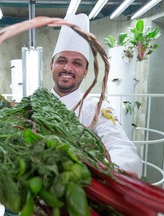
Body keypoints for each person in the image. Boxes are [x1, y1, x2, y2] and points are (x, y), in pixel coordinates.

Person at [50, 13, 142, 177]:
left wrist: (111, 171)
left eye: (77, 63)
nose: (67, 68)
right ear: (51, 65)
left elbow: (119, 145)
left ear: (85, 72)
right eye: (61, 60)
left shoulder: (97, 108)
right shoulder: (29, 106)